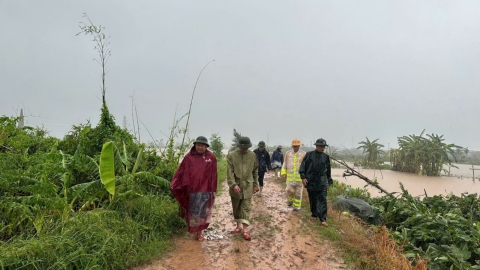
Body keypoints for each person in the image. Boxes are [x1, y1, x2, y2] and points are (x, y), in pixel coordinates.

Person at [170, 136, 218, 241]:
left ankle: (199, 233)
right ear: (195, 145)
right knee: (193, 210)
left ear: (206, 146)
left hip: (205, 189)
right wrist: (177, 184)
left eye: (202, 145)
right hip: (191, 189)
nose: (200, 147)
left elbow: (213, 175)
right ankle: (194, 229)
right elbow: (182, 172)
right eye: (198, 145)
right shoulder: (188, 157)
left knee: (202, 211)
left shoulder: (211, 158)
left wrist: (212, 189)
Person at [227, 136, 259, 241]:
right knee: (236, 207)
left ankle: (245, 231)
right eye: (242, 147)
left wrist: (255, 185)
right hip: (236, 185)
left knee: (246, 207)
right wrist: (233, 184)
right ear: (239, 146)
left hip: (248, 185)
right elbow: (230, 171)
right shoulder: (231, 155)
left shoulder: (252, 155)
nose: (244, 149)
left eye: (246, 147)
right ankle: (238, 226)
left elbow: (255, 171)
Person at [299, 138, 332, 227]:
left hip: (322, 182)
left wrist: (329, 180)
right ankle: (314, 214)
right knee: (313, 199)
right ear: (316, 146)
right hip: (311, 180)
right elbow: (302, 167)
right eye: (321, 146)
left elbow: (328, 170)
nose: (322, 148)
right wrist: (303, 177)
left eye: (324, 147)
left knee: (322, 200)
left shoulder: (326, 157)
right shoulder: (309, 155)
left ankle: (323, 219)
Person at [281, 138, 307, 211]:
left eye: (297, 146)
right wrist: (283, 173)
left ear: (299, 146)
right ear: (292, 146)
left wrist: (305, 176)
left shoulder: (303, 154)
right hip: (290, 177)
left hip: (299, 178)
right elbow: (285, 163)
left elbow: (306, 165)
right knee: (289, 190)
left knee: (298, 193)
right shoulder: (288, 153)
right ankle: (290, 201)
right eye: (294, 146)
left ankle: (297, 206)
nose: (295, 147)